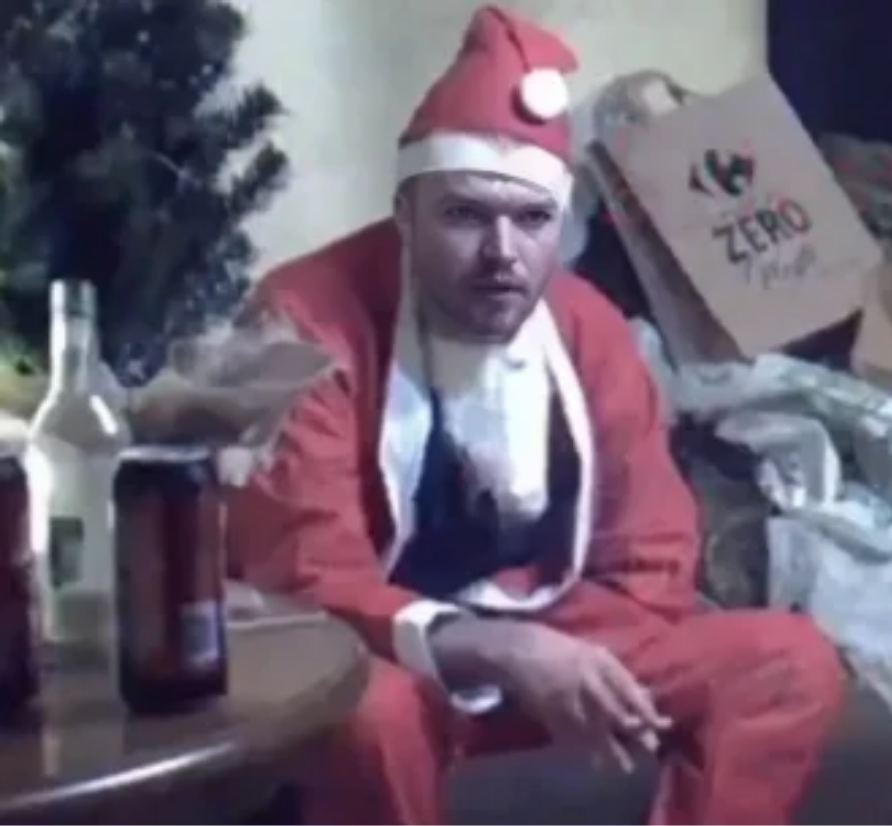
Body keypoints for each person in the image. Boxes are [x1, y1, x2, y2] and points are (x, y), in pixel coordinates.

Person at [227, 6, 845, 826]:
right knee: (365, 715)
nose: (502, 255)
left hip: (562, 632)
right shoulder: (305, 319)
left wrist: (578, 665)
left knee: (790, 663)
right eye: (464, 215)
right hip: (392, 654)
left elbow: (652, 552)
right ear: (405, 212)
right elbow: (304, 574)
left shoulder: (588, 326)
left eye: (531, 220)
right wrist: (494, 649)